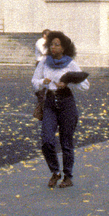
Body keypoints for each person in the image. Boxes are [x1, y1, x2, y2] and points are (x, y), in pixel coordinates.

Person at [32, 31, 87, 188]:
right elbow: (34, 82)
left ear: (64, 48)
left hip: (66, 103)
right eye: (51, 44)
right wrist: (43, 81)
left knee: (66, 142)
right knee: (47, 140)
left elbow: (85, 84)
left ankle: (67, 176)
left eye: (57, 44)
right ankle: (55, 171)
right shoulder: (44, 62)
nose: (53, 47)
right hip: (50, 102)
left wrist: (69, 83)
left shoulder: (70, 64)